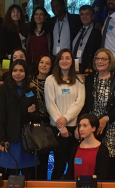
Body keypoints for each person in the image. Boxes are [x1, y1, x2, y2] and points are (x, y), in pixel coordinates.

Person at [81, 48, 115, 178]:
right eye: (97, 58)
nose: (99, 61)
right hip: (92, 128)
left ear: (110, 61)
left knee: (110, 167)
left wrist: (105, 119)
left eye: (103, 59)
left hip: (111, 127)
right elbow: (85, 104)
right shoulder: (89, 79)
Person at [45, 49, 85, 180]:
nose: (64, 61)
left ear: (72, 61)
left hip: (75, 128)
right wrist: (61, 126)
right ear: (57, 61)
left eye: (67, 58)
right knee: (59, 164)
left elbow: (79, 102)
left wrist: (66, 118)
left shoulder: (79, 79)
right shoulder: (51, 80)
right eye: (61, 58)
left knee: (74, 163)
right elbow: (50, 104)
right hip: (57, 129)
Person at [0, 59, 40, 179]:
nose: (18, 73)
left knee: (29, 175)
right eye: (15, 70)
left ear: (26, 72)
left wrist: (32, 112)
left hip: (27, 139)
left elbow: (36, 115)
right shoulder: (3, 89)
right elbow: (0, 116)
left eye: (21, 70)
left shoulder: (31, 89)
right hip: (11, 138)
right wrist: (1, 139)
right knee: (11, 175)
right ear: (11, 72)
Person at [30, 54, 54, 179]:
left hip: (49, 123)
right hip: (33, 123)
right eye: (41, 62)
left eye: (47, 63)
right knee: (32, 160)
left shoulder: (54, 82)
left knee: (45, 159)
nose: (44, 65)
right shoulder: (29, 81)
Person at [74, 114, 110, 179]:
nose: (81, 129)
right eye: (79, 126)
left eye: (85, 126)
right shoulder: (76, 148)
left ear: (93, 128)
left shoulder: (102, 150)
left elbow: (102, 176)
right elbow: (70, 173)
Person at [72, 5, 102, 74]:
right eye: (82, 14)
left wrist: (91, 66)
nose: (84, 17)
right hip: (73, 66)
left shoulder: (97, 32)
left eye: (87, 14)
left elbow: (97, 51)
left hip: (87, 68)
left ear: (92, 16)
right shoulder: (76, 30)